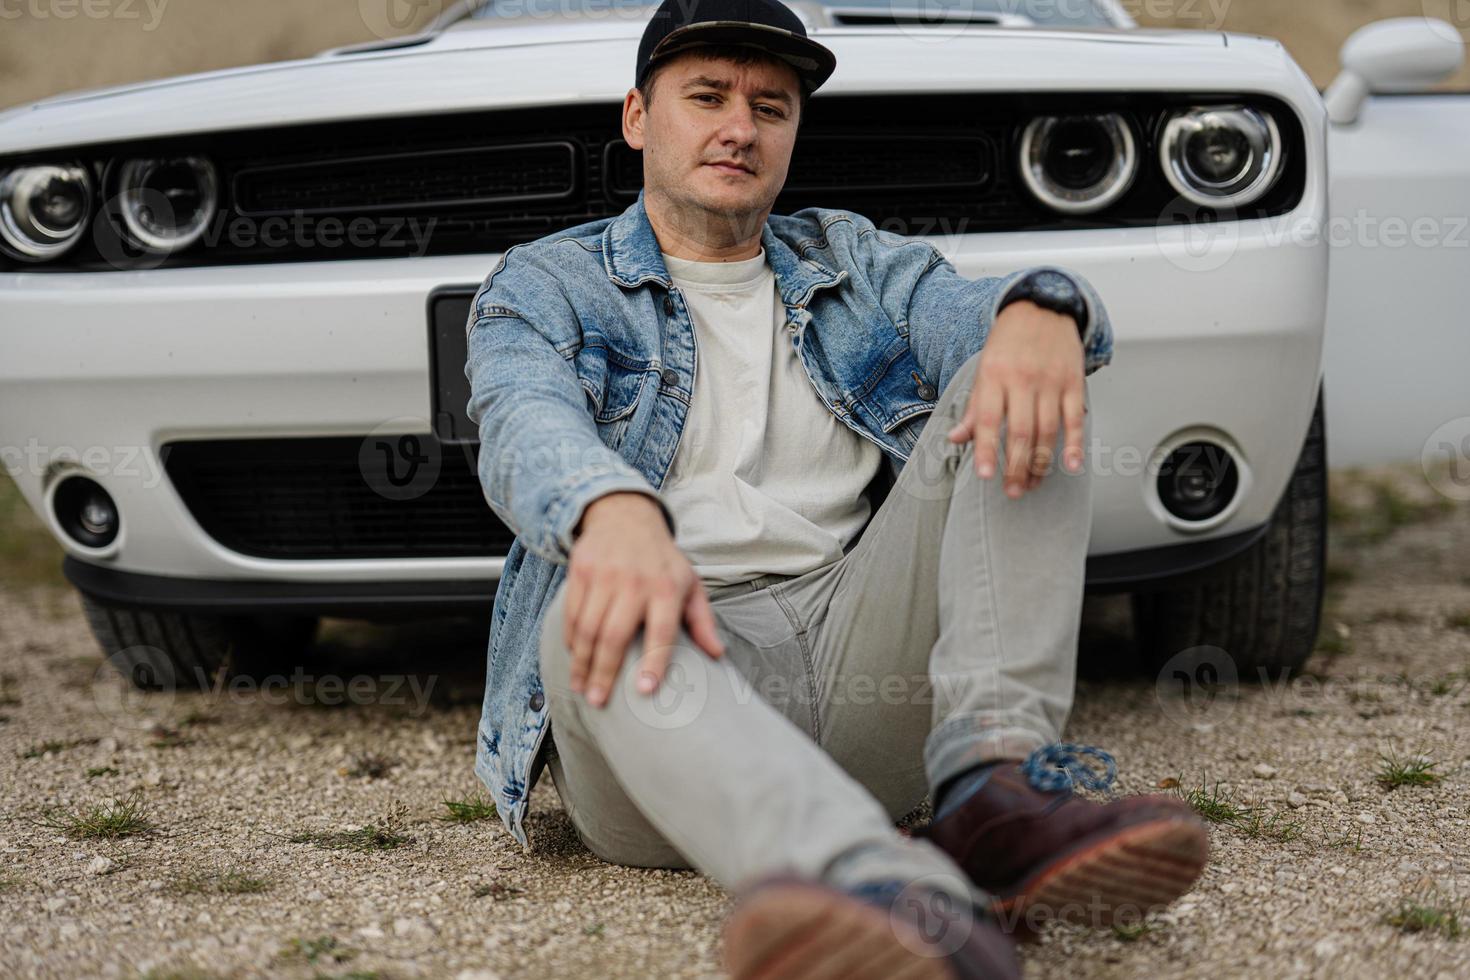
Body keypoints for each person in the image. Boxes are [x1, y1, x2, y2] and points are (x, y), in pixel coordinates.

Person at [464, 0, 1209, 974]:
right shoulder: (549, 282)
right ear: (639, 117)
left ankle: (993, 784)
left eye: (771, 107)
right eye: (708, 96)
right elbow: (523, 421)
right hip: (669, 719)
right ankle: (879, 889)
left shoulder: (848, 260)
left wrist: (1043, 304)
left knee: (1022, 372)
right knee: (586, 600)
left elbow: (965, 313)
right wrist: (611, 513)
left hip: (858, 662)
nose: (741, 126)